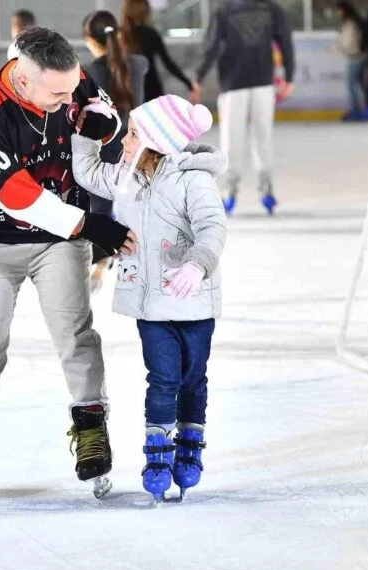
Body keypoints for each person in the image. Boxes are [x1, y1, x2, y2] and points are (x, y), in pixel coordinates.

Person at [0, 27, 137, 499]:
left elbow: (109, 118)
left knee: (75, 334)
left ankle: (91, 425)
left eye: (72, 89)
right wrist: (91, 225)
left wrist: (101, 124)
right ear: (24, 81)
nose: (69, 98)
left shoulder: (68, 78)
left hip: (59, 243)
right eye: (58, 94)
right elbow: (14, 194)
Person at [71, 95, 227, 503]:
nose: (124, 140)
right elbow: (86, 171)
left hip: (194, 304)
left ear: (157, 141)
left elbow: (212, 227)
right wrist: (88, 130)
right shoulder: (126, 177)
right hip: (151, 306)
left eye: (133, 134)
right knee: (161, 379)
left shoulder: (194, 180)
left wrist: (197, 265)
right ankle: (157, 453)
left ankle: (190, 444)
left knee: (193, 378)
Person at [193, 0, 295, 216]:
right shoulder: (229, 9)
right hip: (244, 83)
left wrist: (198, 77)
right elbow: (212, 45)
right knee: (252, 137)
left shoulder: (264, 8)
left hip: (247, 83)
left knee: (240, 137)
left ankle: (253, 185)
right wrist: (290, 75)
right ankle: (236, 186)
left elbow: (284, 40)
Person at [82, 9, 148, 292]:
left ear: (89, 39)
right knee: (135, 210)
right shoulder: (139, 64)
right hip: (139, 151)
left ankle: (101, 258)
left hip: (106, 153)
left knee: (98, 209)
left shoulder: (89, 73)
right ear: (118, 35)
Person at [120, 0, 194, 102]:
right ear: (145, 11)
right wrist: (189, 84)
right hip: (152, 91)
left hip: (128, 92)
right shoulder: (150, 34)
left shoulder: (120, 35)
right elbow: (168, 64)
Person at [333, 1, 366, 121]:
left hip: (354, 58)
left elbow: (347, 44)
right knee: (360, 84)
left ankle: (357, 110)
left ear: (343, 11)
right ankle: (362, 109)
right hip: (359, 57)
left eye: (338, 10)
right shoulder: (354, 23)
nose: (337, 13)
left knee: (352, 85)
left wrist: (335, 48)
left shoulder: (349, 25)